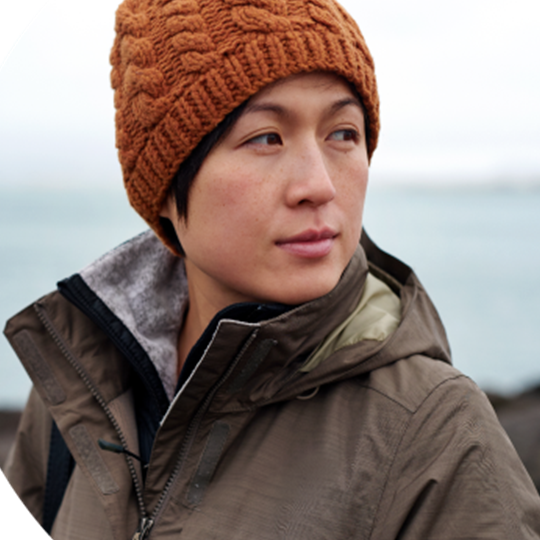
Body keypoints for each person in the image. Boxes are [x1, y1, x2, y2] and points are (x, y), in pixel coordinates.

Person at [4, 0, 540, 538]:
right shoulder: (81, 380)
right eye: (266, 138)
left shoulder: (435, 429)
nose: (319, 185)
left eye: (343, 134)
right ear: (165, 186)